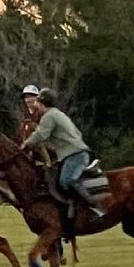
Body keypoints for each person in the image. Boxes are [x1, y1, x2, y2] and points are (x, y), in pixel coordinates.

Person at [20, 88, 104, 218]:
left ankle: (96, 206)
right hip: (74, 153)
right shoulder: (58, 114)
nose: (36, 106)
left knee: (66, 180)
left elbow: (41, 134)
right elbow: (78, 134)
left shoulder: (49, 116)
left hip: (74, 154)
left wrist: (25, 145)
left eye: (38, 104)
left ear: (43, 104)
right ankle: (72, 207)